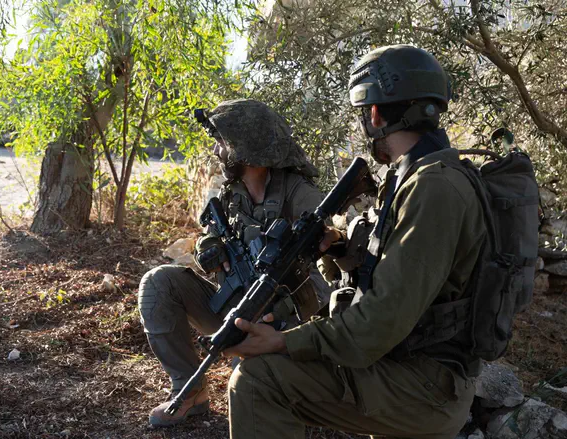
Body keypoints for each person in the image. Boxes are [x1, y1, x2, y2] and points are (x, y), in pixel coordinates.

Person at [225, 45, 485, 438]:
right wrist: (341, 246)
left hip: (423, 384)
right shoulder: (417, 174)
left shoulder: (433, 188)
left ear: (375, 113)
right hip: (409, 365)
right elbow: (397, 264)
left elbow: (376, 326)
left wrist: (283, 342)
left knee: (257, 380)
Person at [138, 99, 329, 427]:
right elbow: (209, 241)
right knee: (158, 283)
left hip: (286, 325)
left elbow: (326, 278)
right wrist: (208, 248)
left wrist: (280, 316)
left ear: (247, 148)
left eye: (223, 143)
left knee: (248, 383)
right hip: (234, 308)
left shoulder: (301, 196)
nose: (217, 152)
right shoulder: (231, 195)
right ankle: (190, 391)